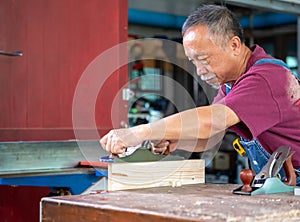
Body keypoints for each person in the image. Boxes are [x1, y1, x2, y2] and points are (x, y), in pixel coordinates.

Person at [100, 5, 300, 185]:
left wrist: (139, 132)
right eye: (193, 62)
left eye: (203, 59)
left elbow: (209, 122)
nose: (200, 70)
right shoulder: (231, 84)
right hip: (282, 185)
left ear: (234, 45)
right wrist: (172, 138)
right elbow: (211, 134)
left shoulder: (267, 78)